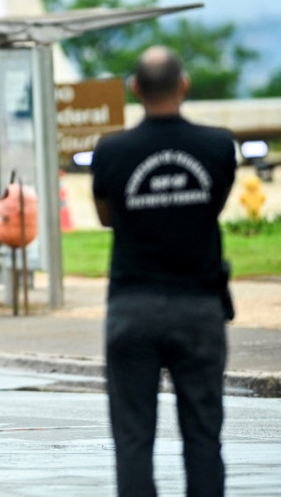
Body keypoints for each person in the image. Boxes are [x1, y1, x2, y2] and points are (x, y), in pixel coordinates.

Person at [91, 46, 236, 497]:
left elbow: (106, 216)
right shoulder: (217, 146)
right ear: (184, 85)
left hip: (132, 308)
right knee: (203, 436)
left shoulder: (111, 149)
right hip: (199, 307)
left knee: (133, 439)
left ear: (135, 90)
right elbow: (213, 205)